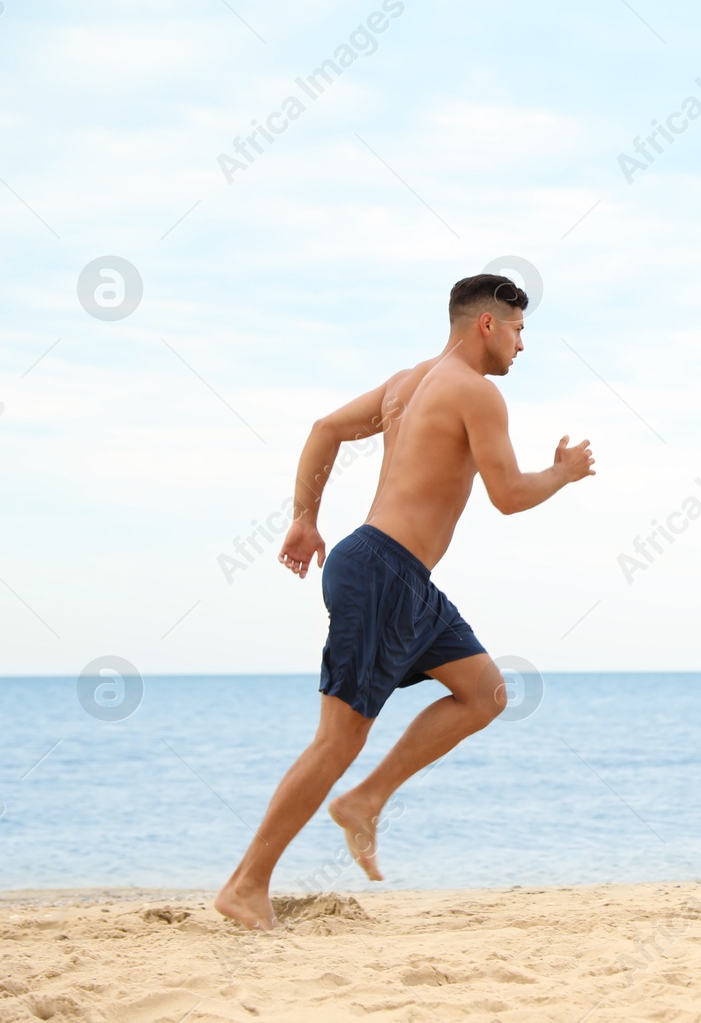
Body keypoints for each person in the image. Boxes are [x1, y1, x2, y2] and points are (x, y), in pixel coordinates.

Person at [214, 273, 595, 930]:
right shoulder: (476, 393)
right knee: (336, 741)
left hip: (399, 577)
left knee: (485, 691)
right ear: (487, 324)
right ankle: (246, 883)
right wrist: (561, 474)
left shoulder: (406, 382)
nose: (521, 345)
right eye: (519, 329)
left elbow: (324, 428)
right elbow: (505, 494)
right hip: (383, 572)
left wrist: (305, 518)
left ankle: (366, 800)